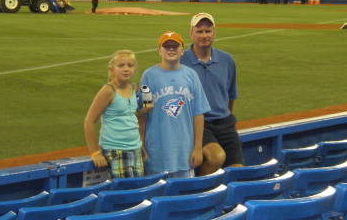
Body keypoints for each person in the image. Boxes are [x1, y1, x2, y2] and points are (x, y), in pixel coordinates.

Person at [139, 31, 210, 178]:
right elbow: (143, 115)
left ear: (182, 51)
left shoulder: (191, 75)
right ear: (159, 50)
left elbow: (198, 115)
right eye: (166, 46)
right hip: (156, 153)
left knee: (184, 197)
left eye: (175, 46)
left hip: (184, 153)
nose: (171, 49)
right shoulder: (148, 76)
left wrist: (197, 148)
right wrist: (141, 144)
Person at [180, 13, 244, 175]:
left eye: (208, 31)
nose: (204, 35)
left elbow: (230, 95)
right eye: (199, 31)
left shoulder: (227, 60)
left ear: (214, 33)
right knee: (216, 157)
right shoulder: (182, 61)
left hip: (225, 122)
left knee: (238, 171)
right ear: (191, 33)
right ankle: (200, 194)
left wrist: (226, 115)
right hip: (198, 123)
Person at [84, 50, 151, 178]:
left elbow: (130, 116)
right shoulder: (108, 91)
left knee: (137, 191)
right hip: (115, 151)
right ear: (112, 69)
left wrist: (145, 110)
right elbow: (89, 121)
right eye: (121, 65)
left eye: (130, 66)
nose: (126, 69)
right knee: (125, 193)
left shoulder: (133, 88)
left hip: (135, 148)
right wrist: (95, 152)